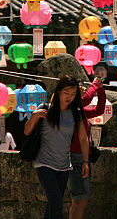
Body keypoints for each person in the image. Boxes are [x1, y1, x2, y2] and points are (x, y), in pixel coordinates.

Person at [25, 75, 90, 219]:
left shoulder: (76, 113)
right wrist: (34, 116)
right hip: (44, 164)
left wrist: (85, 161)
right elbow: (27, 131)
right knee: (57, 203)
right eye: (66, 92)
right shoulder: (45, 109)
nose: (69, 97)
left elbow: (83, 139)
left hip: (64, 166)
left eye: (73, 94)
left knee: (52, 205)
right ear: (59, 91)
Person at [68, 77, 106, 219]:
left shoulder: (79, 110)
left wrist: (101, 90)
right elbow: (87, 99)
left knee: (82, 198)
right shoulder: (71, 107)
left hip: (82, 156)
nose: (84, 88)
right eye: (80, 86)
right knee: (78, 198)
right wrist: (95, 84)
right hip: (74, 156)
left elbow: (99, 109)